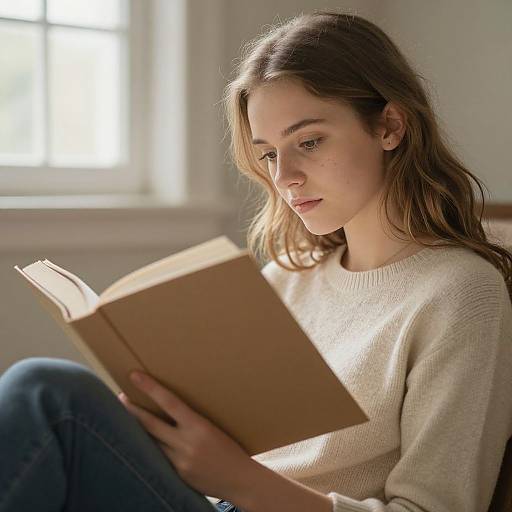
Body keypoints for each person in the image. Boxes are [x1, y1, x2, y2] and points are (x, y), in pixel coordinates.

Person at [1, 8, 511, 512]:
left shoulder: (461, 293)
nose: (284, 175)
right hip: (212, 497)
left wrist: (240, 480)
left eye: (308, 142)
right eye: (268, 154)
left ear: (390, 127)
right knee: (63, 409)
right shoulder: (290, 277)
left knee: (48, 392)